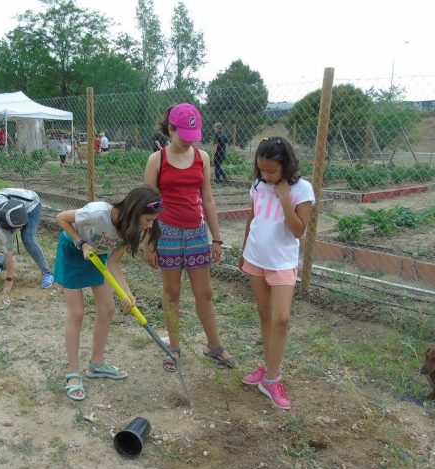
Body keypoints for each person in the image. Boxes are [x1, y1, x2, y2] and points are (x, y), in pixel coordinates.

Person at [143, 103, 235, 372]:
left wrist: (216, 239)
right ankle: (173, 347)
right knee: (171, 293)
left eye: (192, 137)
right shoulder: (156, 160)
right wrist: (151, 243)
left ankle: (215, 346)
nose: (188, 142)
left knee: (204, 293)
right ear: (171, 129)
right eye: (183, 135)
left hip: (197, 232)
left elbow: (207, 198)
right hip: (167, 233)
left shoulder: (202, 158)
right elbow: (147, 205)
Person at [54, 185, 163, 401]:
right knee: (76, 313)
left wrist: (127, 294)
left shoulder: (130, 230)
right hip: (72, 252)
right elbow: (61, 218)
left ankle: (96, 364)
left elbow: (114, 264)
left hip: (98, 256)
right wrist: (81, 242)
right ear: (134, 212)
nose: (150, 226)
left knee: (108, 307)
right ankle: (73, 374)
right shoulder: (97, 213)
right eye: (148, 220)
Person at [239, 137, 315, 410]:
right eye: (261, 169)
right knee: (264, 314)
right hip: (255, 257)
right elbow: (253, 218)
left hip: (282, 263)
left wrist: (284, 198)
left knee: (281, 319)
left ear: (286, 166)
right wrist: (243, 247)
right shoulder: (258, 185)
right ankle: (268, 370)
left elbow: (298, 230)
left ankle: (273, 378)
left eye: (271, 170)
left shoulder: (302, 189)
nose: (265, 175)